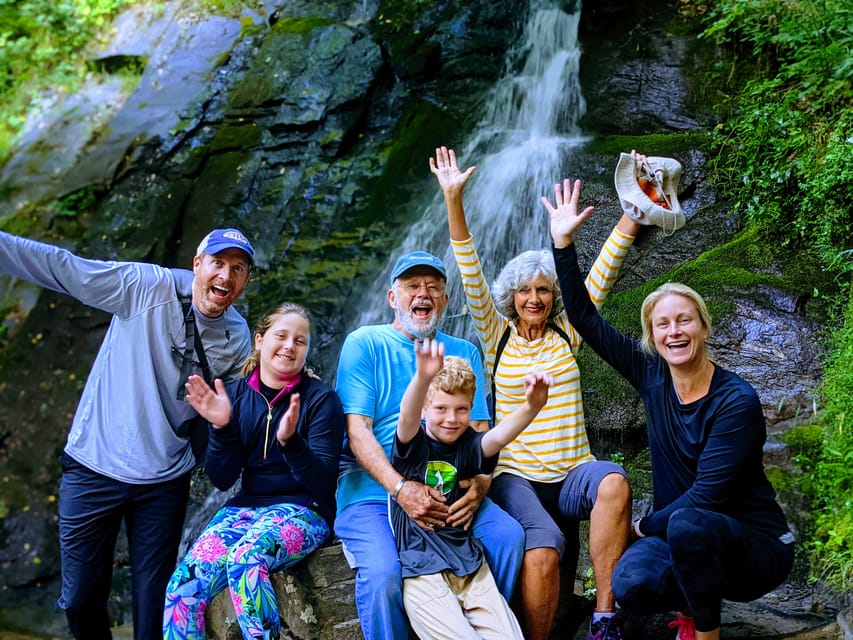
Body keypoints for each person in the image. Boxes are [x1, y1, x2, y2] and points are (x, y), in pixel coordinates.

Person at [543, 177, 795, 640]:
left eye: (684, 320)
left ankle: (706, 631)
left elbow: (705, 499)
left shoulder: (734, 401)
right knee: (632, 583)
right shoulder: (651, 374)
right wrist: (563, 242)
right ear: (651, 336)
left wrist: (641, 525)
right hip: (682, 534)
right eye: (662, 324)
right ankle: (689, 603)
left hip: (755, 549)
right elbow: (584, 318)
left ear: (703, 326)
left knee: (688, 521)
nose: (673, 332)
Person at [0, 227, 255, 639]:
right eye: (218, 263)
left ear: (245, 280)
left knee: (155, 607)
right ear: (197, 264)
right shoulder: (145, 287)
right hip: (94, 466)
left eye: (238, 268)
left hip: (164, 480)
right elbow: (66, 269)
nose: (225, 276)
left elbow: (250, 397)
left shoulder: (237, 337)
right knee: (81, 598)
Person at [431, 146, 639, 640]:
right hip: (515, 476)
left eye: (543, 290)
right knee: (543, 547)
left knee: (615, 482)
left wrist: (633, 215)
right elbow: (468, 264)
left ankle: (604, 619)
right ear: (511, 297)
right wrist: (453, 198)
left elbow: (602, 274)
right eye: (525, 290)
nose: (534, 298)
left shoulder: (569, 331)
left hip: (571, 473)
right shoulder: (494, 331)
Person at [334, 249, 526, 640]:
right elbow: (358, 432)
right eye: (412, 286)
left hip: (448, 488)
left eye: (433, 287)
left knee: (508, 538)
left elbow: (479, 435)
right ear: (393, 297)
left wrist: (482, 484)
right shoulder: (365, 344)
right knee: (385, 574)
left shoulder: (464, 351)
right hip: (373, 493)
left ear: (444, 300)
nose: (423, 294)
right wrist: (401, 488)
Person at [163, 302, 345, 639]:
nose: (290, 345)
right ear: (260, 340)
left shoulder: (322, 401)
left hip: (306, 510)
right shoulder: (231, 397)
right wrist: (220, 427)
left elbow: (322, 483)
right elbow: (223, 478)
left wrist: (291, 443)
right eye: (282, 336)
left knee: (246, 559)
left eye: (300, 341)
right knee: (181, 589)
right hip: (245, 509)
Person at [393, 339, 553, 640]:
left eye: (461, 409)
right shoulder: (413, 446)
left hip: (468, 564)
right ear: (427, 407)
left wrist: (532, 406)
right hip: (422, 569)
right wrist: (423, 377)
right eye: (441, 408)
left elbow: (497, 437)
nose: (452, 419)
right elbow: (407, 417)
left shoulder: (468, 443)